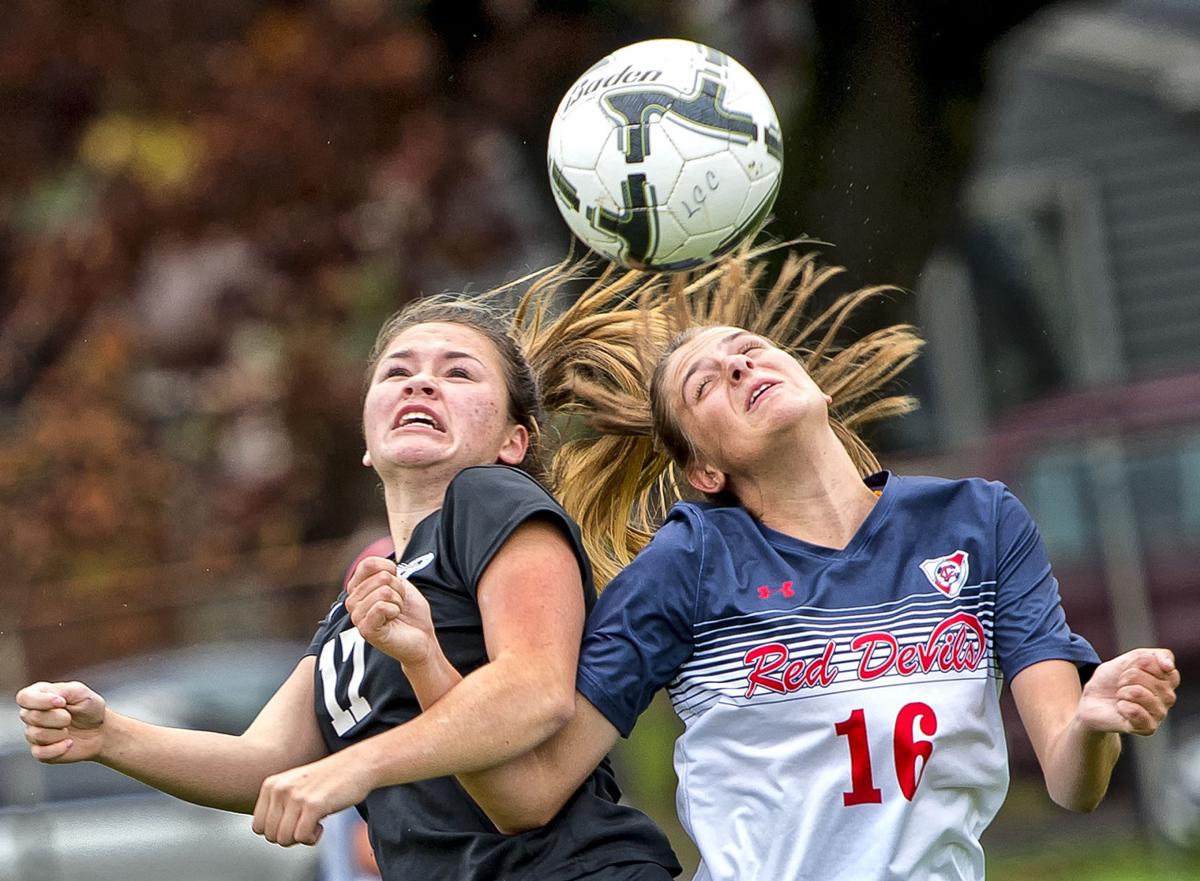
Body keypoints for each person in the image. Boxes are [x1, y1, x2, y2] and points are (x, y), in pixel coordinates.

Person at [330, 249, 1181, 881]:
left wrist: (1099, 720)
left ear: (807, 377)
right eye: (706, 383)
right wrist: (428, 661)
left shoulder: (980, 519)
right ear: (705, 469)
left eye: (750, 349)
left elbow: (1071, 780)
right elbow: (529, 793)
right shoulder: (689, 561)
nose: (740, 362)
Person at [15, 293, 681, 881]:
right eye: (398, 371)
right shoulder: (358, 604)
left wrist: (358, 765)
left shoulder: (491, 499)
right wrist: (111, 737)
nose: (422, 382)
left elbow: (533, 692)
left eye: (458, 372)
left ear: (513, 439)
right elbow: (268, 761)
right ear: (368, 438)